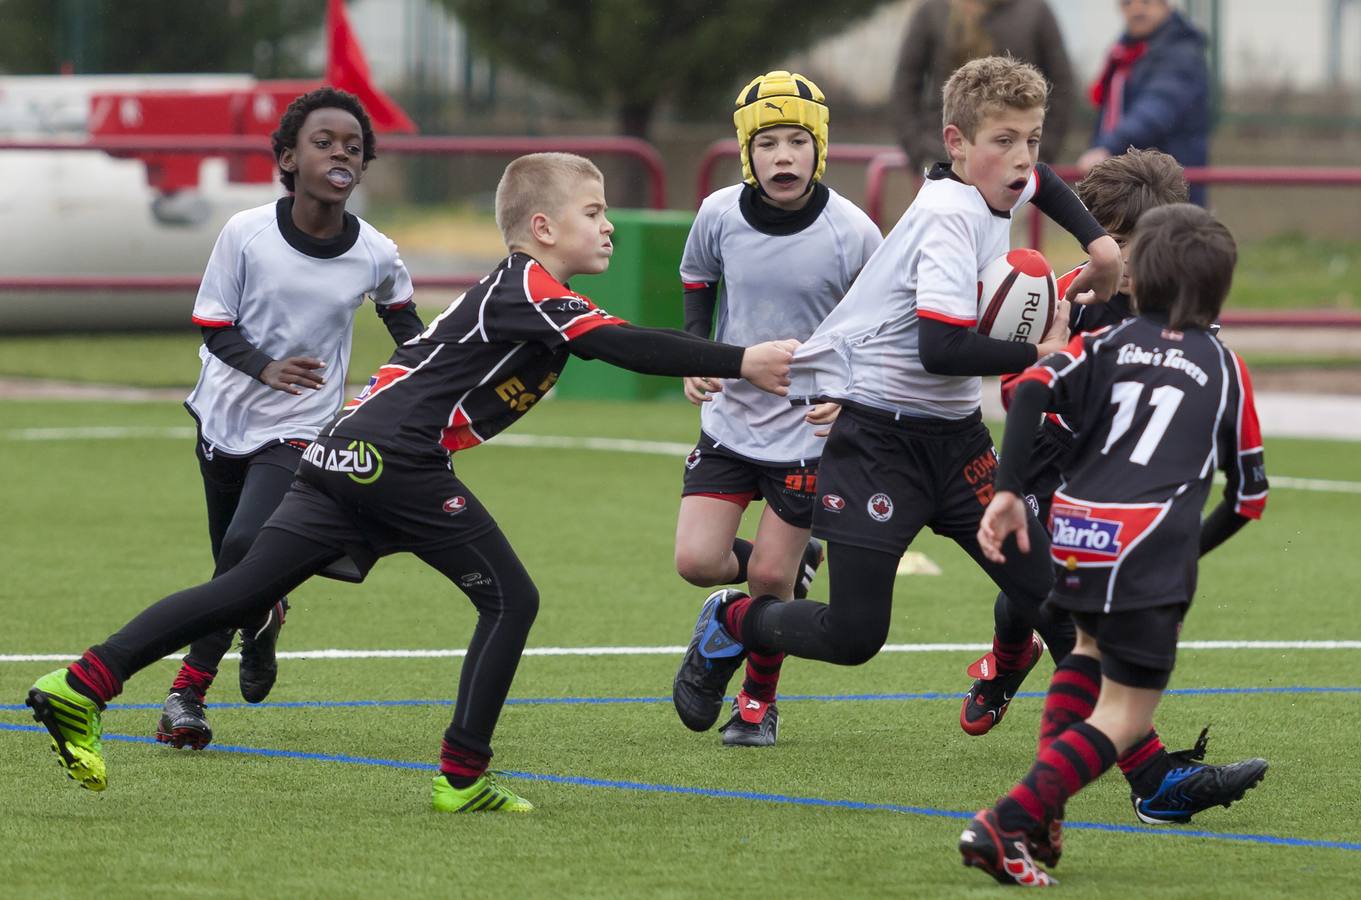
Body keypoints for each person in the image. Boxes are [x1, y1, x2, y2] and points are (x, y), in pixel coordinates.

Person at [23, 152, 798, 813]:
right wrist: (741, 359)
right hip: (396, 458)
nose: (609, 226)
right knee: (511, 599)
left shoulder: (523, 293)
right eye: (594, 212)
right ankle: (463, 775)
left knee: (241, 588)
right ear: (542, 228)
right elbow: (624, 344)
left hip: (346, 450)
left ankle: (82, 682)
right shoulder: (528, 288)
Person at [670, 57, 1122, 740]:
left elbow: (1045, 182)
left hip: (957, 439)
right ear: (957, 143)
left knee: (1051, 597)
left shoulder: (996, 181)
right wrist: (1041, 355)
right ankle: (734, 620)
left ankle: (1133, 765)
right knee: (854, 636)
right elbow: (939, 350)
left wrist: (1100, 244)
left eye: (1032, 138)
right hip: (878, 441)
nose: (1023, 158)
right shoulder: (946, 218)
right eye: (1004, 140)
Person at [958, 203, 1269, 887]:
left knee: (1087, 657)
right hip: (1145, 550)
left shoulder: (1103, 345)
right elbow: (1249, 498)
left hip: (1074, 533)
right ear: (1218, 290)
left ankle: (1038, 824)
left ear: (1135, 279)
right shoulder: (1224, 367)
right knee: (1125, 715)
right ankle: (1006, 821)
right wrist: (1183, 552)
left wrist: (1009, 491)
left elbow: (1032, 386)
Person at [158, 86, 424, 751]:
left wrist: (424, 385)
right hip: (223, 414)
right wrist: (265, 367)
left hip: (303, 426)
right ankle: (265, 615)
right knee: (233, 558)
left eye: (353, 146)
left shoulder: (376, 253)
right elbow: (213, 326)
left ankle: (186, 692)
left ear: (362, 168)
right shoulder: (245, 233)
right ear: (287, 158)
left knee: (247, 549)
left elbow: (409, 330)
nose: (340, 153)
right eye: (323, 141)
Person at [674, 71, 882, 747]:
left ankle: (757, 705)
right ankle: (756, 589)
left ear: (819, 149)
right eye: (768, 144)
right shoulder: (718, 213)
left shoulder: (854, 231)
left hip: (807, 433)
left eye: (798, 141)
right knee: (698, 561)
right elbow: (697, 277)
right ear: (747, 154)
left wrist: (850, 394)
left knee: (769, 576)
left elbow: (882, 324)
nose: (783, 156)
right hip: (731, 423)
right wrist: (696, 355)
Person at [893, 0, 1076, 170]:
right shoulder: (933, 10)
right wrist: (918, 149)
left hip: (1015, 159)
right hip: (943, 156)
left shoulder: (1034, 11)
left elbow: (1062, 84)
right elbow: (906, 84)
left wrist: (1042, 151)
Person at [1077, 0, 1212, 206]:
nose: (1136, 9)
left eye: (1147, 1)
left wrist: (1106, 148)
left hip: (1166, 187)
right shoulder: (1124, 52)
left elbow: (1157, 108)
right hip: (1131, 183)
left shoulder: (1181, 51)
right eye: (1127, 3)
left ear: (1167, 4)